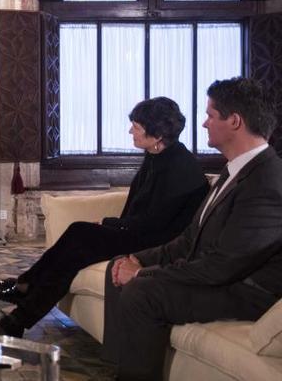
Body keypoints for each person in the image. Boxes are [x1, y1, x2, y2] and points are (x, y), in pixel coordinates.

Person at [103, 78, 282, 381]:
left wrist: (143, 274)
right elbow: (189, 239)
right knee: (119, 264)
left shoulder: (267, 179)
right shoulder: (233, 169)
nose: (203, 123)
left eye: (211, 115)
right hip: (223, 276)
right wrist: (139, 259)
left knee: (142, 292)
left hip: (246, 291)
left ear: (235, 121)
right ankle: (120, 368)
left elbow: (222, 266)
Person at [0, 97, 209, 337]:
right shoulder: (158, 156)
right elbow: (137, 210)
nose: (130, 131)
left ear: (157, 135)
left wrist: (109, 225)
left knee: (80, 237)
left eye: (136, 127)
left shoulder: (180, 168)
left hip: (157, 244)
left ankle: (23, 298)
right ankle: (22, 303)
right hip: (141, 234)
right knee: (78, 236)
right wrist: (111, 228)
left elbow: (154, 223)